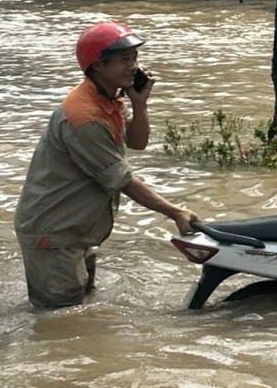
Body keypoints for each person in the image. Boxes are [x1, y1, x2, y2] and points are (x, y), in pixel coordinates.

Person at [14, 21, 200, 309]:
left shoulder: (107, 100)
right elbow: (121, 179)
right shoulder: (85, 117)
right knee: (59, 324)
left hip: (76, 230)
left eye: (135, 58)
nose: (135, 67)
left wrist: (140, 105)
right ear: (99, 66)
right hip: (55, 234)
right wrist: (174, 212)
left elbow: (137, 142)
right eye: (125, 59)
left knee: (79, 314)